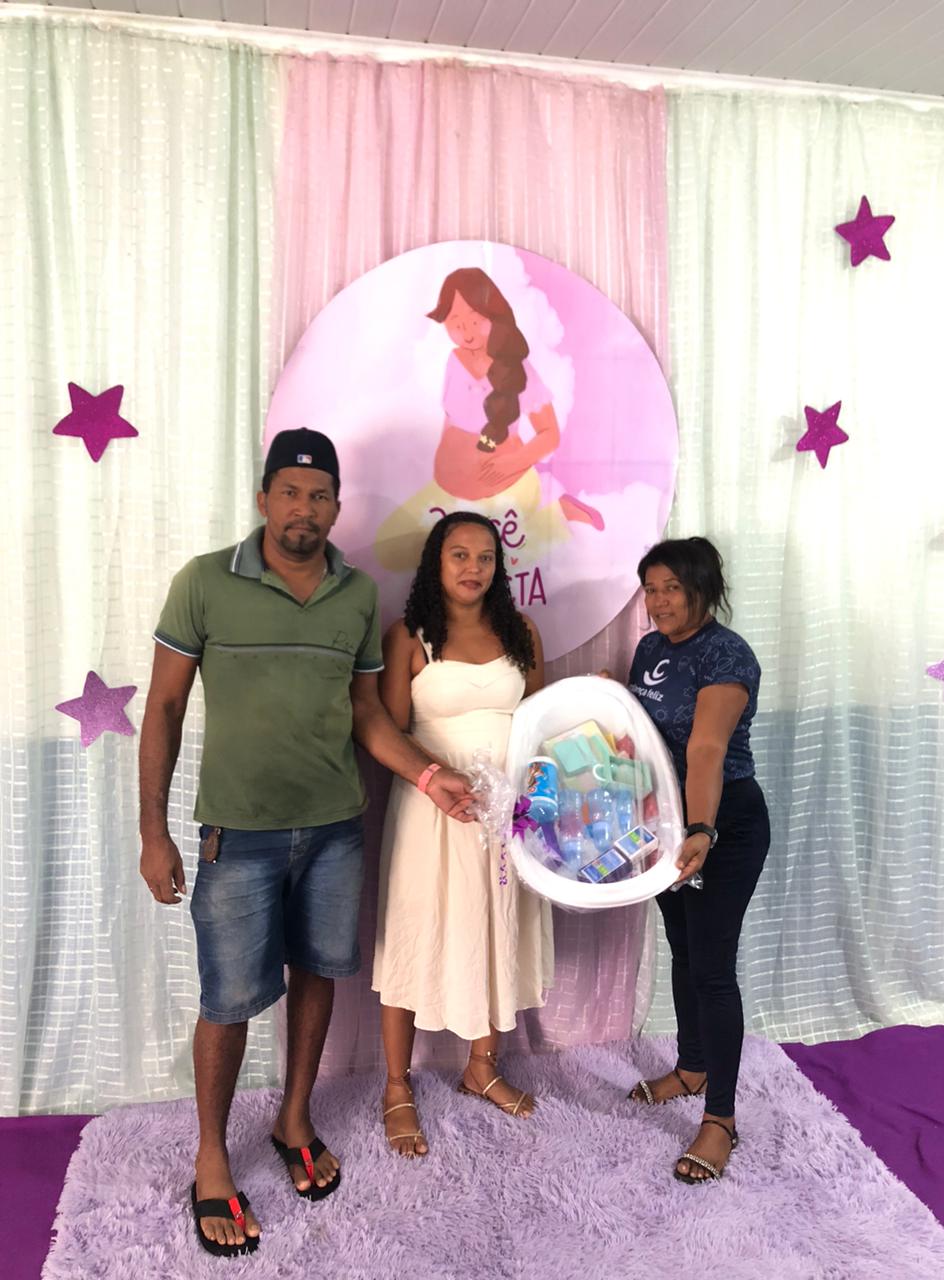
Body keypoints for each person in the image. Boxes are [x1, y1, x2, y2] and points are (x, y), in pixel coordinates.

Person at [138, 429, 475, 1257]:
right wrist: (152, 830)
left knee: (319, 973)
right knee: (227, 1002)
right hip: (237, 836)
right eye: (289, 492)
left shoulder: (356, 596)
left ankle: (295, 1118)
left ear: (335, 507)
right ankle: (212, 1155)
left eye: (319, 495)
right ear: (264, 499)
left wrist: (430, 776)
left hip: (333, 832)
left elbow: (367, 714)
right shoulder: (204, 582)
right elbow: (165, 708)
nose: (304, 508)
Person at [372, 511, 554, 1156]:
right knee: (414, 931)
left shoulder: (521, 630)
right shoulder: (408, 636)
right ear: (436, 562)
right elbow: (390, 732)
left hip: (504, 819)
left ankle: (482, 1066)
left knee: (494, 926)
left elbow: (540, 718)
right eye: (459, 555)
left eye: (485, 557)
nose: (473, 567)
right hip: (432, 814)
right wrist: (440, 777)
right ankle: (397, 1085)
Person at [624, 537, 769, 1184]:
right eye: (650, 589)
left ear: (703, 589)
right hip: (668, 825)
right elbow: (648, 736)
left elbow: (706, 749)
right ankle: (691, 1068)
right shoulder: (650, 649)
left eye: (672, 589)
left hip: (723, 824)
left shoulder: (726, 654)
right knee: (684, 952)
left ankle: (721, 1120)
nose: (658, 602)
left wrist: (702, 828)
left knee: (712, 969)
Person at [376, 267, 602, 573]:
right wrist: (444, 464)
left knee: (493, 564)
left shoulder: (517, 368)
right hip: (449, 489)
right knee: (389, 550)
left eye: (475, 320)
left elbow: (550, 434)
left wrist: (511, 463)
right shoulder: (454, 360)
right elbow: (450, 417)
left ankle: (558, 514)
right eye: (455, 322)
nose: (466, 331)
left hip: (505, 486)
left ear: (494, 316)